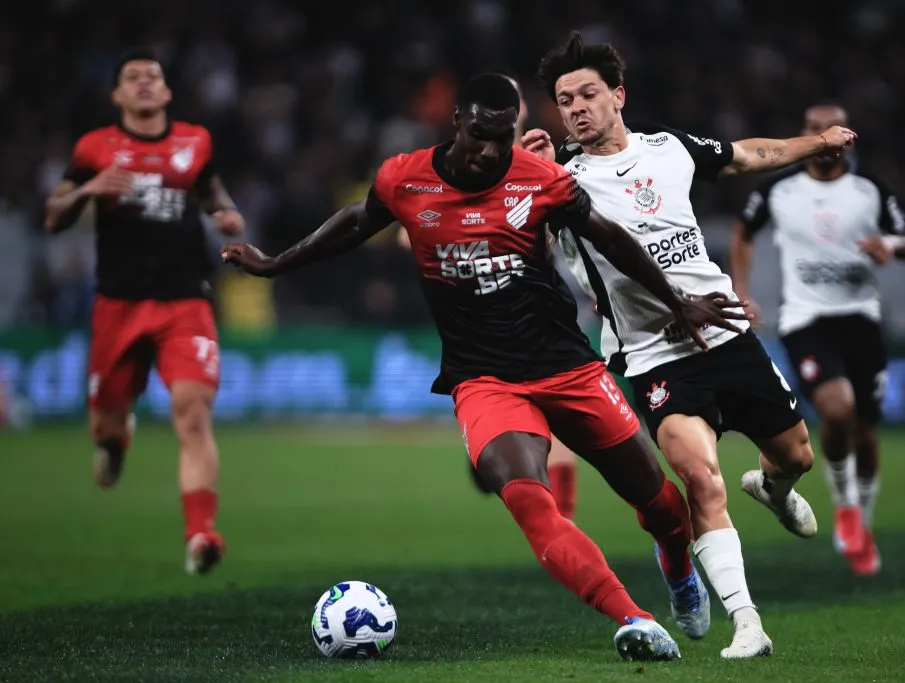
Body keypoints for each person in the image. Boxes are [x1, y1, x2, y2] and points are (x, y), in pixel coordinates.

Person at [223, 72, 751, 661]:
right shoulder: (405, 178)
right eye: (479, 135)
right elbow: (355, 222)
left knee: (663, 508)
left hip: (567, 366)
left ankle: (678, 570)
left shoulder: (543, 180)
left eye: (504, 137)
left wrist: (676, 299)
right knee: (529, 499)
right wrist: (275, 264)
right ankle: (632, 618)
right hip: (484, 380)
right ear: (457, 124)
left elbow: (612, 237)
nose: (490, 151)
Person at [531, 32, 857, 658]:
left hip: (726, 334)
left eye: (587, 93)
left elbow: (746, 155)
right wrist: (525, 168)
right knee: (703, 482)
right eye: (564, 99)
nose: (575, 107)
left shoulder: (669, 149)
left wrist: (815, 143)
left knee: (797, 458)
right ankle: (748, 623)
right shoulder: (559, 181)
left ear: (618, 96)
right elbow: (518, 231)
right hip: (653, 355)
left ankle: (772, 488)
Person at [43, 47, 244, 575]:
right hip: (119, 304)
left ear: (168, 90)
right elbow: (52, 218)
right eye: (133, 78)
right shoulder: (95, 148)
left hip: (186, 302)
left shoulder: (195, 141)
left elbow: (209, 190)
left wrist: (223, 213)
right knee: (107, 424)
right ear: (117, 95)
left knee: (194, 416)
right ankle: (114, 441)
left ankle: (201, 534)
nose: (144, 84)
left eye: (153, 76)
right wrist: (88, 189)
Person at [730, 102, 905, 576]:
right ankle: (846, 506)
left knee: (865, 429)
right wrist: (742, 290)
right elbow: (743, 232)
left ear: (847, 134)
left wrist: (890, 246)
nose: (823, 135)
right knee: (837, 410)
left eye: (830, 128)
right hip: (805, 319)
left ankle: (863, 521)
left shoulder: (869, 190)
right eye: (813, 129)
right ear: (805, 134)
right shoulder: (778, 188)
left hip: (860, 318)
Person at [396, 74, 583, 519]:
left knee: (556, 423)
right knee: (509, 439)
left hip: (537, 306)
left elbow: (567, 229)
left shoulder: (537, 162)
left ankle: (563, 525)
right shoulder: (459, 165)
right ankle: (510, 459)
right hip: (477, 319)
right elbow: (410, 233)